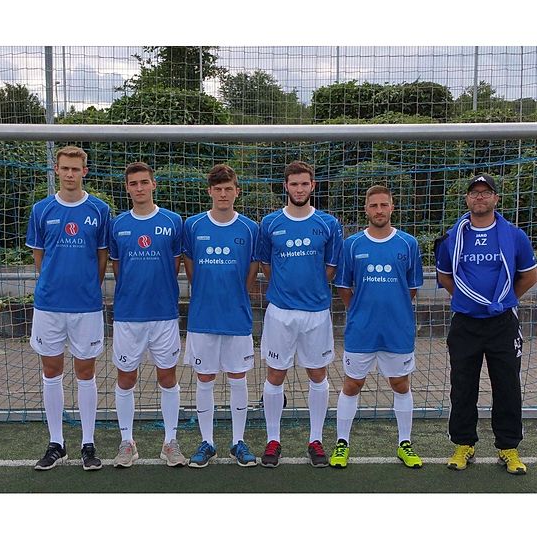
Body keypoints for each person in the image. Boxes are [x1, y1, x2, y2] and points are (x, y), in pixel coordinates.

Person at [435, 173, 537, 475]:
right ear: (467, 199)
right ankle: (463, 444)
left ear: (495, 198)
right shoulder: (453, 237)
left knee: (507, 385)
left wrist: (502, 301)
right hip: (465, 323)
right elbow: (445, 277)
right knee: (462, 386)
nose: (479, 197)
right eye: (474, 193)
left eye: (485, 192)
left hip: (502, 323)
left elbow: (529, 277)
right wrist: (470, 301)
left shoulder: (515, 236)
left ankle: (508, 447)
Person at [26, 145, 111, 472]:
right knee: (51, 371)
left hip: (86, 306)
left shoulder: (100, 210)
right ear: (57, 170)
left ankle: (88, 443)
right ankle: (56, 443)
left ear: (84, 172)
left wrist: (88, 285)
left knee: (86, 372)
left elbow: (102, 256)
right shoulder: (41, 209)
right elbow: (40, 257)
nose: (70, 174)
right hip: (49, 305)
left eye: (76, 169)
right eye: (65, 168)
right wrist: (54, 281)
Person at [256, 160, 343, 468]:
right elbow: (266, 265)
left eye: (304, 183)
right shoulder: (270, 223)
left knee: (318, 374)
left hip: (316, 312)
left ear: (312, 185)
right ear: (286, 186)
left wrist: (311, 287)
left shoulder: (328, 223)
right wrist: (286, 288)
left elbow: (330, 268)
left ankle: (315, 439)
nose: (299, 189)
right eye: (294, 184)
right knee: (275, 374)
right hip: (280, 312)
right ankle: (273, 439)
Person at [330, 185, 424, 469]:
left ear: (392, 207)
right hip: (362, 329)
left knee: (400, 383)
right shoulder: (352, 244)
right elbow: (343, 286)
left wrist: (393, 308)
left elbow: (411, 288)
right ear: (366, 209)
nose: (379, 210)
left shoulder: (408, 243)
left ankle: (404, 443)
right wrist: (360, 310)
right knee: (352, 384)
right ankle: (342, 443)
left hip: (397, 329)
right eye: (374, 206)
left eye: (384, 205)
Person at [107, 162, 187, 468]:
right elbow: (118, 267)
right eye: (133, 183)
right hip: (128, 315)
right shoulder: (118, 224)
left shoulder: (173, 221)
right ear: (127, 188)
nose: (139, 188)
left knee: (167, 376)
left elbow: (175, 264)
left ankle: (170, 442)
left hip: (164, 314)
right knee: (126, 377)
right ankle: (127, 442)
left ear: (154, 184)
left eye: (144, 182)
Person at [181, 164, 260, 468]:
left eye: (228, 189)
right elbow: (190, 268)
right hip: (203, 316)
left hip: (236, 316)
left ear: (237, 191)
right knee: (205, 378)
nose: (223, 194)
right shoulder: (193, 225)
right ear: (210, 192)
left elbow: (252, 269)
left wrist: (237, 294)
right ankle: (207, 442)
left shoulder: (250, 228)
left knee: (238, 378)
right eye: (218, 189)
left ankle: (238, 441)